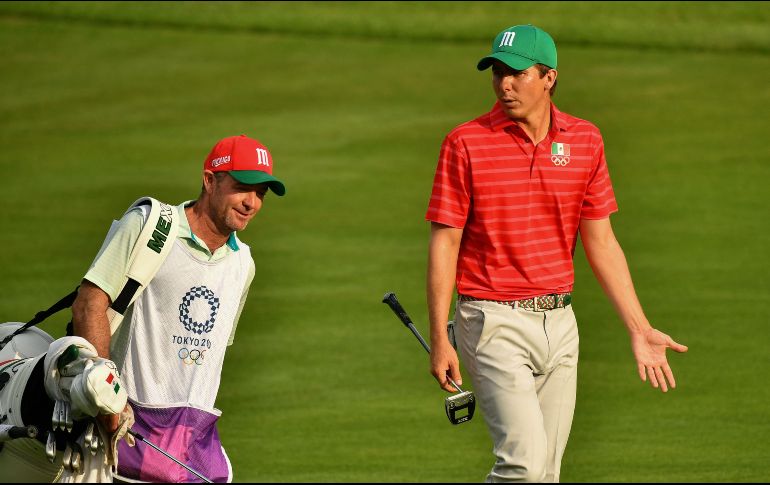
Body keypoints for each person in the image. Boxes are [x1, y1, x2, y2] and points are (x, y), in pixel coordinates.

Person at [425, 24, 688, 482]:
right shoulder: (466, 142)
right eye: (497, 73)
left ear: (549, 78)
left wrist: (639, 327)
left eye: (517, 73)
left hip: (560, 323)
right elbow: (445, 241)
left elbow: (601, 240)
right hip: (491, 320)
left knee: (546, 472)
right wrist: (440, 336)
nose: (504, 84)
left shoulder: (585, 140)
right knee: (523, 467)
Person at [71, 134, 286, 482]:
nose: (252, 202)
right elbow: (88, 306)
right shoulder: (150, 225)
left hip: (195, 449)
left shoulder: (243, 263)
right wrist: (107, 399)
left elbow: (209, 356)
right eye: (243, 187)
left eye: (261, 193)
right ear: (210, 180)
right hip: (124, 436)